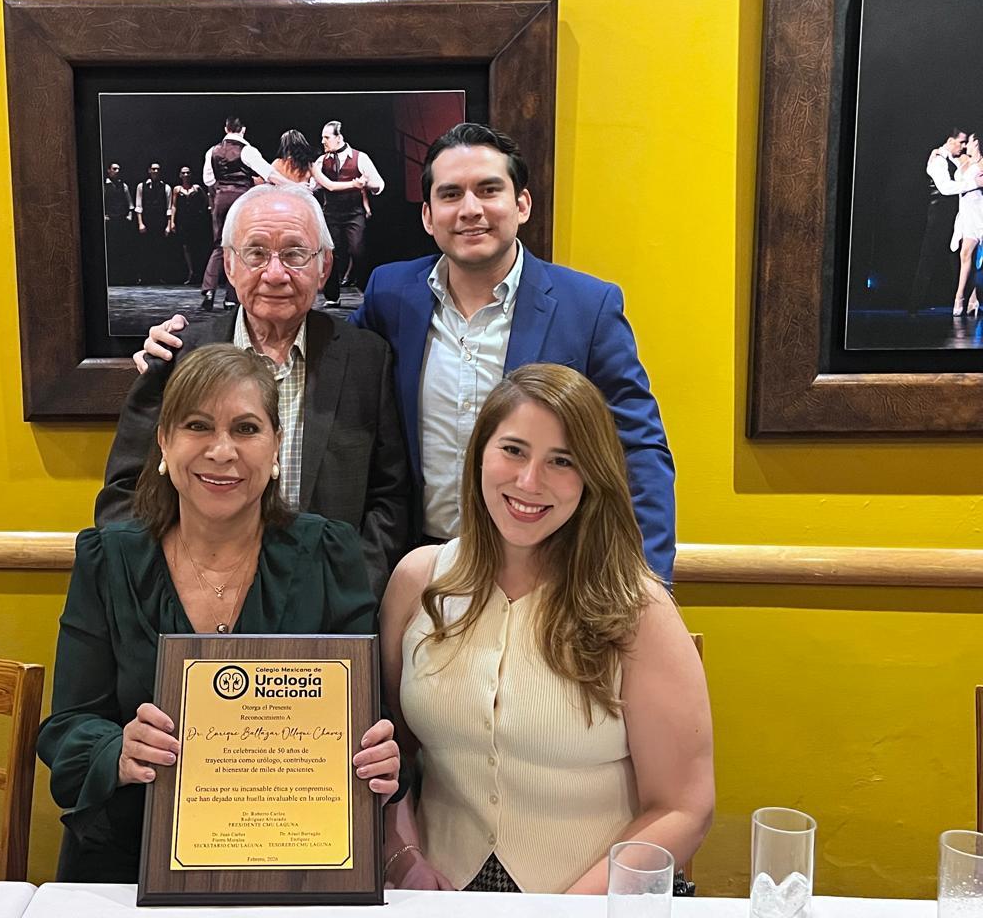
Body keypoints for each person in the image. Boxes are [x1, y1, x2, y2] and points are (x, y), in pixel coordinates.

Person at [134, 122, 675, 583]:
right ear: (428, 215)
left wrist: (646, 582)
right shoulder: (392, 295)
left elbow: (639, 448)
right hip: (423, 569)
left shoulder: (588, 307)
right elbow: (318, 349)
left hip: (552, 564)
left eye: (489, 190)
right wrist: (172, 345)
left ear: (522, 204)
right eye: (450, 194)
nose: (471, 210)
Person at [40, 343, 401, 881]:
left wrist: (380, 758)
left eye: (246, 429)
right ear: (163, 442)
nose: (222, 451)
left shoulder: (330, 554)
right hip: (125, 864)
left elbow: (367, 722)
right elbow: (66, 729)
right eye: (198, 426)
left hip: (294, 863)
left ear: (276, 446)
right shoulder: (109, 559)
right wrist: (118, 749)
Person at [379, 363, 713, 894]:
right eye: (513, 450)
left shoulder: (637, 609)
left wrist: (566, 911)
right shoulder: (417, 583)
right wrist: (403, 858)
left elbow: (682, 807)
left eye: (562, 461)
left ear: (592, 476)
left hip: (594, 897)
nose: (529, 481)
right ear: (479, 454)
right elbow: (391, 759)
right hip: (437, 893)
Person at [96, 184, 410, 597]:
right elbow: (124, 494)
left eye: (295, 254)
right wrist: (172, 589)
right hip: (191, 601)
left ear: (324, 267)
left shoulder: (368, 360)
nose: (275, 274)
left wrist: (348, 590)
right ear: (229, 264)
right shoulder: (177, 355)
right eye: (256, 254)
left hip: (327, 604)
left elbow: (390, 499)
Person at [200, 117, 292, 310]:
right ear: (243, 130)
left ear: (226, 128)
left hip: (220, 200)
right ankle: (231, 297)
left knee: (219, 245)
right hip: (241, 200)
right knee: (240, 246)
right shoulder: (247, 150)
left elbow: (208, 181)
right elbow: (270, 174)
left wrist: (220, 193)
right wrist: (294, 186)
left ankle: (208, 291)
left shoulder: (212, 151)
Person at [910, 128, 983, 314]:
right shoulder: (939, 160)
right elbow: (945, 188)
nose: (964, 146)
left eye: (967, 142)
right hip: (943, 215)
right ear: (951, 141)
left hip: (967, 212)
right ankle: (916, 303)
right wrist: (974, 183)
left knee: (965, 258)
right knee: (935, 256)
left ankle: (969, 299)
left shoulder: (958, 159)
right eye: (962, 142)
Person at [314, 121, 385, 305]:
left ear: (339, 138)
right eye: (322, 137)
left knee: (357, 251)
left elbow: (379, 185)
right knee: (332, 254)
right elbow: (316, 186)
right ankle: (332, 297)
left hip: (354, 213)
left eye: (326, 137)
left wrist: (366, 184)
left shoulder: (360, 158)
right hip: (331, 213)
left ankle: (364, 290)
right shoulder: (321, 161)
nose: (323, 141)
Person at [949, 134, 983, 318]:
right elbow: (948, 154)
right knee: (967, 255)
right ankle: (971, 298)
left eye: (968, 142)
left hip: (979, 213)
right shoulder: (963, 159)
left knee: (971, 256)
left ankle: (961, 296)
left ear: (976, 143)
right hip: (965, 214)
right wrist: (937, 152)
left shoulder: (982, 164)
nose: (964, 146)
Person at [167, 167, 210, 286]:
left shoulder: (197, 188)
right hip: (183, 221)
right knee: (186, 247)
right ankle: (191, 272)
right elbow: (174, 206)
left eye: (187, 173)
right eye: (183, 173)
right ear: (180, 175)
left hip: (196, 221)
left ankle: (200, 273)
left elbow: (206, 200)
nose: (186, 175)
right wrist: (172, 222)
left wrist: (203, 211)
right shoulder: (177, 189)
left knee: (198, 246)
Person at [135, 162, 172, 284]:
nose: (156, 171)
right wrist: (140, 223)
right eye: (153, 169)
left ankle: (159, 276)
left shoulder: (166, 187)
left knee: (159, 250)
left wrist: (168, 225)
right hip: (147, 221)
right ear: (149, 171)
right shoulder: (141, 186)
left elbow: (168, 208)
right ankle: (144, 276)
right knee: (145, 249)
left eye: (158, 169)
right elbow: (138, 206)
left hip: (160, 222)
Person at [102, 161, 133, 286]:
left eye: (118, 169)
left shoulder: (123, 185)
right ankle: (111, 277)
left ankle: (122, 277)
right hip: (110, 220)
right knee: (111, 249)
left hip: (121, 220)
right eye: (114, 169)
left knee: (122, 249)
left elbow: (129, 202)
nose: (117, 171)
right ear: (109, 170)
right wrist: (104, 215)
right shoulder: (105, 185)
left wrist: (129, 214)